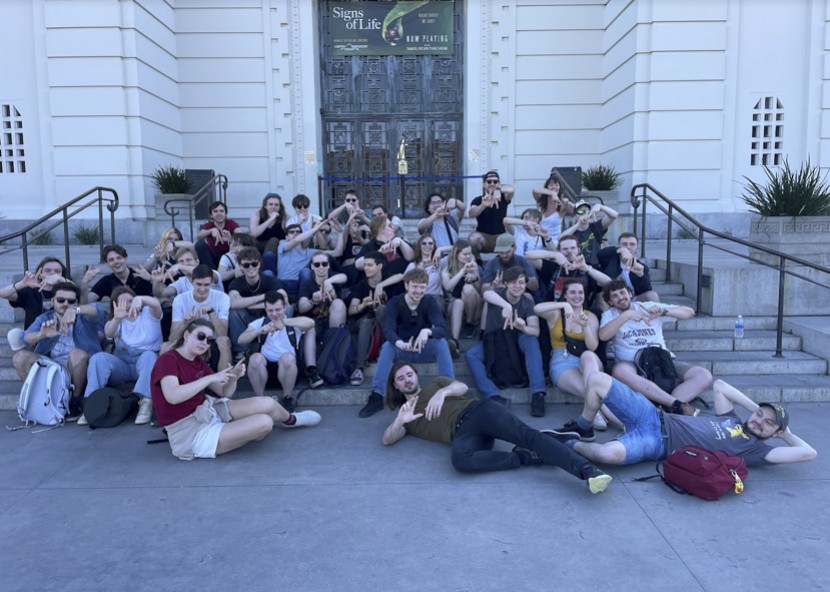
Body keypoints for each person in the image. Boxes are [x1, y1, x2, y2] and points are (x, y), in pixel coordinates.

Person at [381, 363, 612, 494]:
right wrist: (400, 420)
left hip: (479, 412)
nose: (407, 380)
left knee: (527, 436)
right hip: (463, 435)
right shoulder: (406, 416)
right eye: (401, 378)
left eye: (410, 374)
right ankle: (524, 458)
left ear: (416, 376)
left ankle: (587, 470)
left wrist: (442, 392)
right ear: (395, 385)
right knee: (460, 461)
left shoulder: (435, 384)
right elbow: (387, 439)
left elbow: (461, 387)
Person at [548, 356, 817, 468]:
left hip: (657, 443)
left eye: (768, 423)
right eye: (760, 416)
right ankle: (584, 428)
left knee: (609, 455)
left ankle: (568, 443)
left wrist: (785, 433)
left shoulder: (757, 451)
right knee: (597, 380)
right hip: (652, 416)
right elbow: (720, 386)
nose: (759, 422)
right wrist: (756, 408)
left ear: (775, 432)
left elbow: (809, 453)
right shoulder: (731, 417)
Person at [150, 318, 321, 461]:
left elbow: (224, 392)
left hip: (206, 411)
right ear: (187, 335)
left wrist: (234, 377)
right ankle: (237, 430)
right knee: (265, 422)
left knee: (267, 403)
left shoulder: (197, 361)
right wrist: (209, 378)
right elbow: (173, 396)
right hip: (189, 432)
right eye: (200, 336)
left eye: (209, 340)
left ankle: (290, 420)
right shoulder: (168, 360)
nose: (204, 343)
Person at [599, 279, 712, 413]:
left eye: (622, 292)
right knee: (620, 371)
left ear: (630, 294)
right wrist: (626, 316)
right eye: (615, 296)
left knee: (704, 375)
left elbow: (689, 311)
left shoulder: (648, 307)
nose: (620, 298)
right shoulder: (609, 315)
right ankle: (675, 404)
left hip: (661, 360)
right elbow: (603, 335)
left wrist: (664, 312)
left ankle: (667, 407)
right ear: (610, 302)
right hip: (632, 364)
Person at [358, 268, 454, 418]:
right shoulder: (395, 302)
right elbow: (388, 329)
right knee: (387, 346)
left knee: (441, 343)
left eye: (422, 287)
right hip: (402, 349)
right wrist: (399, 343)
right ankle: (377, 395)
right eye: (415, 286)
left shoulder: (430, 301)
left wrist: (427, 331)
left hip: (422, 348)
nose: (418, 291)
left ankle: (449, 390)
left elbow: (442, 328)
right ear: (406, 285)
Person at [14, 282, 107, 421]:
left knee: (76, 354)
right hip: (52, 366)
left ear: (76, 302)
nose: (66, 304)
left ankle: (75, 401)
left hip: (79, 365)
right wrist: (42, 334)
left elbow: (99, 310)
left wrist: (75, 310)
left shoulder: (84, 317)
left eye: (71, 301)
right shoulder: (45, 318)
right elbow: (26, 337)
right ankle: (39, 398)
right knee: (19, 357)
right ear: (52, 301)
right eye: (61, 300)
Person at [465, 266, 547, 415]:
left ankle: (538, 394)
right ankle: (492, 394)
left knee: (531, 340)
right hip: (494, 340)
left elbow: (535, 330)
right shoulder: (497, 295)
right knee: (471, 355)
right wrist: (506, 305)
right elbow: (487, 293)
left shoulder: (527, 303)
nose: (517, 286)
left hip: (516, 340)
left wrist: (523, 327)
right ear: (506, 284)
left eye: (521, 282)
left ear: (525, 284)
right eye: (513, 282)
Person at [534, 279, 613, 429]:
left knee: (588, 356)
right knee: (590, 391)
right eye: (572, 292)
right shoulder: (556, 314)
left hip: (588, 362)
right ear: (565, 295)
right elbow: (537, 308)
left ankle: (594, 414)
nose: (577, 296)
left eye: (580, 292)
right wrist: (564, 305)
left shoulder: (590, 316)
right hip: (562, 361)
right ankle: (607, 416)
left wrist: (586, 327)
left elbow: (593, 346)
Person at [80, 287, 162, 426]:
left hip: (145, 363)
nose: (128, 305)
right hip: (123, 363)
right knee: (98, 358)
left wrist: (141, 298)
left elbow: (156, 304)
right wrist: (117, 318)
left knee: (149, 356)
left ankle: (146, 403)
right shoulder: (117, 321)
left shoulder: (148, 314)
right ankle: (91, 404)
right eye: (122, 303)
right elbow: (109, 333)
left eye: (130, 301)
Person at [238, 291, 323, 412]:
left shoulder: (292, 322)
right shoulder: (261, 322)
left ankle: (287, 397)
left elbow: (311, 323)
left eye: (278, 309)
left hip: (290, 371)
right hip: (265, 373)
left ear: (285, 307)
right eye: (270, 310)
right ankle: (260, 399)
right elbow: (241, 339)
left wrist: (284, 322)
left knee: (287, 358)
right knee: (255, 358)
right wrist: (259, 331)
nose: (274, 314)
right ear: (265, 310)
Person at [347, 251, 403, 386]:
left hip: (384, 321)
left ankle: (386, 352)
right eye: (365, 265)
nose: (365, 268)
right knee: (366, 322)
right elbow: (351, 310)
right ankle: (359, 367)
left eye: (369, 265)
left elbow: (402, 275)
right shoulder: (361, 285)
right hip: (365, 320)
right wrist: (363, 305)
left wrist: (381, 286)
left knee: (382, 309)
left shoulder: (389, 280)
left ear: (379, 266)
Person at [168, 264, 232, 371]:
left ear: (212, 283)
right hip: (188, 339)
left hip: (211, 340)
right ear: (192, 282)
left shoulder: (222, 298)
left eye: (206, 285)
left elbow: (222, 334)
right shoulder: (180, 299)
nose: (202, 289)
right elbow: (172, 338)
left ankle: (224, 380)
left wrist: (211, 312)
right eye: (199, 284)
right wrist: (185, 322)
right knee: (165, 347)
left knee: (224, 341)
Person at [227, 247, 286, 361]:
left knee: (287, 309)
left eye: (254, 264)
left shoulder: (269, 280)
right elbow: (233, 303)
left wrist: (249, 304)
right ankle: (241, 350)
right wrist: (263, 297)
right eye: (246, 265)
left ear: (259, 264)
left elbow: (283, 298)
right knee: (234, 312)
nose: (251, 267)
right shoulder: (236, 283)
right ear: (240, 267)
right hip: (248, 318)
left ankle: (281, 343)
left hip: (268, 317)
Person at [526, 234, 611, 307]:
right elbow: (528, 255)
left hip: (581, 312)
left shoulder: (587, 267)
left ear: (579, 250)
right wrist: (554, 254)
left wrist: (585, 268)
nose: (569, 251)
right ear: (559, 251)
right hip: (554, 312)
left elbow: (608, 283)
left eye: (573, 248)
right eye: (565, 249)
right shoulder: (552, 266)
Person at [277, 218, 348, 303]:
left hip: (300, 285)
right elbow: (297, 240)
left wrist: (340, 233)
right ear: (286, 237)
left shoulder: (310, 252)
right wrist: (316, 228)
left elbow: (337, 253)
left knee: (306, 272)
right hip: (282, 283)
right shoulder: (282, 246)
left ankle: (302, 300)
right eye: (292, 232)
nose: (295, 233)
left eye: (298, 232)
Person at [1, 256, 71, 329]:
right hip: (33, 334)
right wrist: (22, 284)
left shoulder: (68, 290)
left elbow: (77, 294)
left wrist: (62, 280)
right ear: (40, 274)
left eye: (57, 271)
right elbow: (2, 293)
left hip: (61, 332)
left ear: (62, 275)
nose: (53, 273)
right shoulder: (30, 291)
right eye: (48, 270)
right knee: (14, 333)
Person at [440, 239, 482, 351]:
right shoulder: (447, 267)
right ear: (456, 254)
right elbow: (447, 287)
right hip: (455, 306)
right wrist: (462, 271)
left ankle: (469, 324)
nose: (468, 256)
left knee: (468, 288)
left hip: (474, 309)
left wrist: (475, 278)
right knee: (458, 302)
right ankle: (454, 341)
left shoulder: (473, 265)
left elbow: (479, 290)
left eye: (469, 253)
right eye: (465, 254)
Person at [597, 232, 659, 303]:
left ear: (636, 247)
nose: (628, 247)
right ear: (619, 246)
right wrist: (621, 250)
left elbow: (646, 290)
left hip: (634, 300)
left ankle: (657, 310)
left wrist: (641, 276)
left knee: (652, 295)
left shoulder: (642, 267)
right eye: (624, 244)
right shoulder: (610, 261)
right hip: (613, 299)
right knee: (601, 296)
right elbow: (600, 254)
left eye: (632, 244)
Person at [82, 244, 153, 303]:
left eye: (119, 258)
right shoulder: (107, 281)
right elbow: (85, 303)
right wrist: (85, 282)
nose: (116, 262)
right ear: (107, 263)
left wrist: (151, 279)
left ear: (126, 258)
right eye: (111, 260)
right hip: (119, 314)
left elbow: (159, 297)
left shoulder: (140, 275)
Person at [297, 252, 348, 334]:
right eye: (317, 265)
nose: (321, 267)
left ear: (328, 265)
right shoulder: (308, 284)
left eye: (324, 264)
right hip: (315, 322)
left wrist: (328, 282)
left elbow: (344, 277)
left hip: (334, 318)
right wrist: (313, 301)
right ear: (312, 266)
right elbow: (301, 307)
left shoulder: (333, 277)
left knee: (338, 303)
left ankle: (336, 338)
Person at [467, 170, 514, 256]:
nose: (492, 184)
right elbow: (471, 214)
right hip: (484, 238)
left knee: (512, 240)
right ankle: (478, 260)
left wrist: (498, 190)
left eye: (495, 182)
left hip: (500, 236)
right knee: (473, 238)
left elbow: (511, 190)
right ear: (484, 184)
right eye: (489, 181)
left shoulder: (504, 198)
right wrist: (483, 205)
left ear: (499, 183)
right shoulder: (478, 200)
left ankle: (501, 259)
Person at [559, 199, 618, 266]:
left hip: (594, 266)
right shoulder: (571, 230)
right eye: (580, 211)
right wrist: (578, 224)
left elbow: (614, 215)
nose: (584, 214)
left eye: (587, 211)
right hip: (576, 265)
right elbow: (560, 239)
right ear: (575, 215)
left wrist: (600, 206)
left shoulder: (595, 227)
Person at [195, 201, 240, 269]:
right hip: (213, 256)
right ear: (211, 215)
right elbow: (199, 236)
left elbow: (243, 236)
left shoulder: (231, 223)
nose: (219, 214)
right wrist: (211, 230)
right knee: (200, 244)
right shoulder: (208, 225)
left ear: (225, 213)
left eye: (221, 211)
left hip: (229, 255)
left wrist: (230, 240)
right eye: (215, 211)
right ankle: (210, 271)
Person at [249, 193, 287, 275]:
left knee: (273, 241)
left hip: (276, 249)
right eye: (270, 204)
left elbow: (290, 235)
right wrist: (270, 219)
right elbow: (254, 233)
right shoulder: (257, 215)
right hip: (259, 246)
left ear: (280, 207)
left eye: (276, 205)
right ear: (265, 206)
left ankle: (264, 273)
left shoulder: (285, 217)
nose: (273, 207)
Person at [532, 173, 573, 244]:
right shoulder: (540, 202)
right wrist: (552, 193)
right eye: (551, 185)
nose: (554, 187)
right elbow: (535, 190)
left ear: (560, 188)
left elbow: (576, 211)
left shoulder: (562, 204)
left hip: (554, 240)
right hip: (539, 239)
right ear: (547, 187)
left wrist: (569, 203)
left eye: (556, 185)